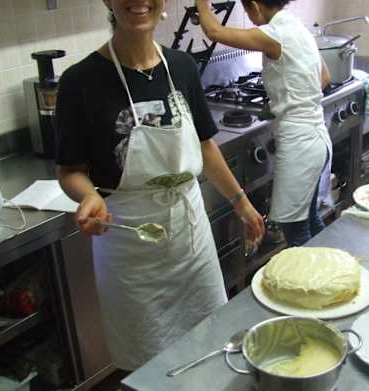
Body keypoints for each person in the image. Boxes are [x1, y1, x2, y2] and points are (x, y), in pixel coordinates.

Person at [55, 0, 265, 371]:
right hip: (130, 249)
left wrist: (241, 203)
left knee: (209, 344)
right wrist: (88, 196)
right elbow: (70, 169)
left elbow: (204, 146)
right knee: (147, 367)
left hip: (191, 239)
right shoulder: (80, 81)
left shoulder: (182, 67)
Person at [196, 0, 332, 247]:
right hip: (317, 138)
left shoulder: (274, 34)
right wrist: (283, 102)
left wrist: (200, 4)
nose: (249, 16)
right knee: (310, 220)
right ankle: (330, 267)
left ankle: (315, 271)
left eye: (247, 10)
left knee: (296, 231)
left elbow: (214, 31)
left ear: (255, 6)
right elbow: (324, 77)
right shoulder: (299, 28)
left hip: (299, 144)